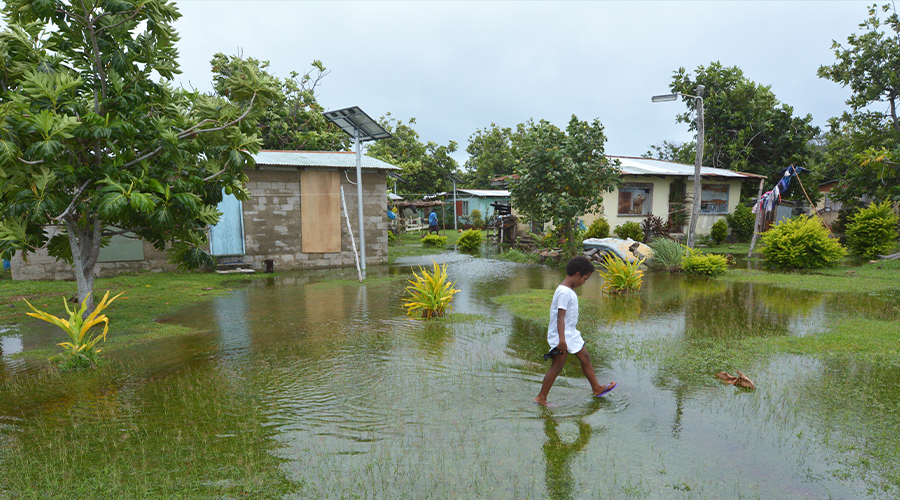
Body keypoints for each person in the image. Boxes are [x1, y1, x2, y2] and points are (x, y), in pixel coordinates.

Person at [535, 255, 616, 406]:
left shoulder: (569, 290)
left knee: (585, 357)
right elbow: (560, 317)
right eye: (585, 279)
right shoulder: (564, 292)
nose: (584, 283)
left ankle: (597, 388)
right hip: (562, 336)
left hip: (571, 333)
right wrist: (561, 340)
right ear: (577, 275)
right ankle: (541, 398)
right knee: (557, 367)